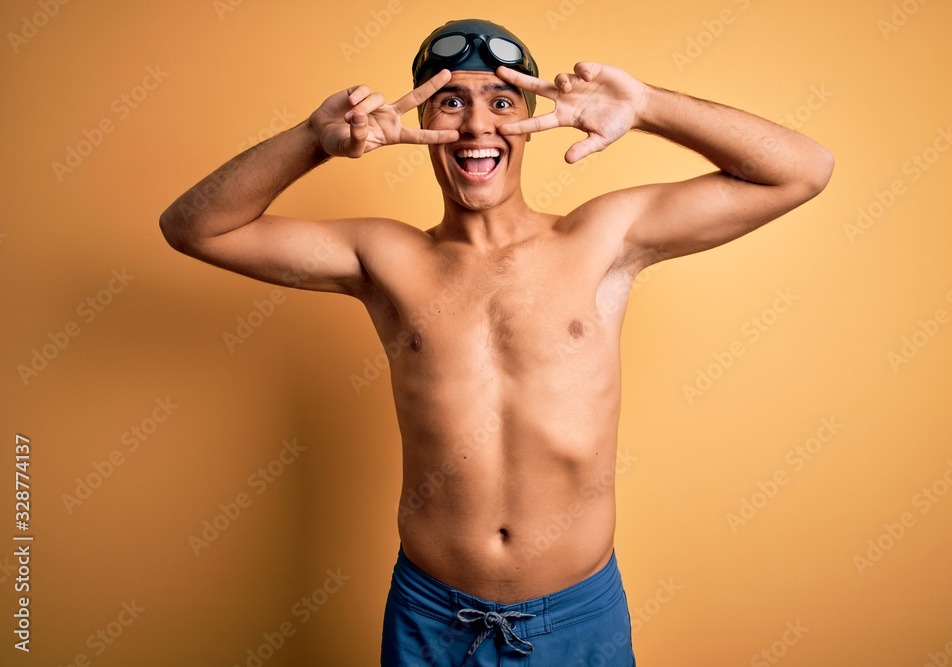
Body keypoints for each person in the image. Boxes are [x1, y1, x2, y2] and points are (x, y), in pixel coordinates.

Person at [159, 18, 834, 666]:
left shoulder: (601, 239)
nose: (478, 126)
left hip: (577, 617)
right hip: (432, 618)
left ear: (532, 122)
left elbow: (802, 169)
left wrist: (648, 104)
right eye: (451, 101)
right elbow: (196, 228)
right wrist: (313, 138)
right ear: (421, 120)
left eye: (502, 101)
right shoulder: (385, 257)